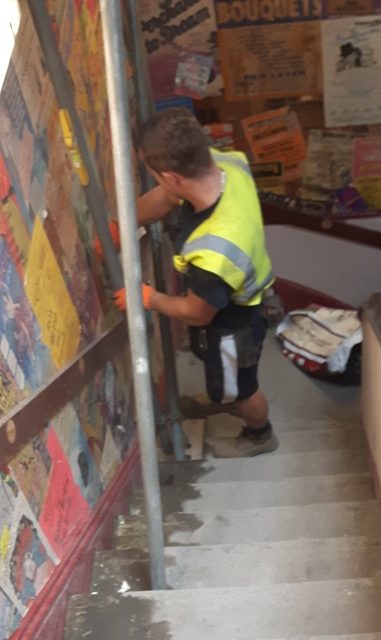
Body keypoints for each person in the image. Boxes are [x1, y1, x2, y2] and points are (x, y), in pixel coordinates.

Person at [112, 107, 277, 458]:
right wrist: (120, 225)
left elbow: (197, 312)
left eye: (155, 175)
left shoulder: (214, 252)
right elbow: (170, 196)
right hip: (240, 300)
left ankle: (260, 435)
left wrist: (148, 298)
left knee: (242, 389)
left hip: (236, 320)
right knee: (222, 373)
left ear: (171, 175)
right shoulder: (225, 164)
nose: (157, 180)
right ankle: (222, 390)